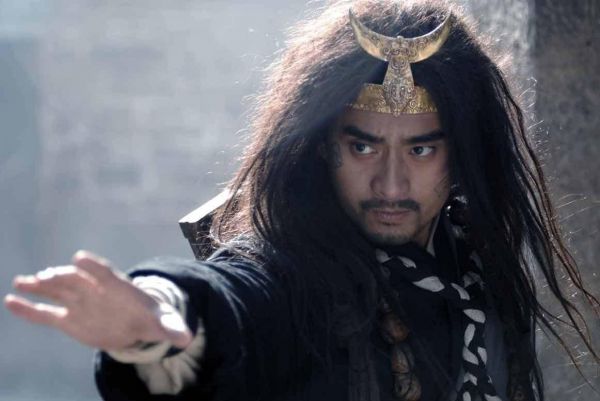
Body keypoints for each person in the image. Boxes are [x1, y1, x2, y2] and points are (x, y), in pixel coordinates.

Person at [4, 0, 598, 400]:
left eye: (420, 150)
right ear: (322, 148)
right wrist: (162, 317)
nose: (391, 185)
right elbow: (237, 293)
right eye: (363, 147)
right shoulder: (295, 274)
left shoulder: (473, 266)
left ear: (459, 153)